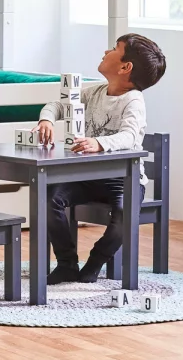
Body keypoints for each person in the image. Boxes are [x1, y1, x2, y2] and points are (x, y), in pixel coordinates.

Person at [35, 33, 167, 284]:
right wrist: (47, 120)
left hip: (123, 180)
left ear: (125, 67)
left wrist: (99, 143)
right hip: (87, 177)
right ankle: (66, 263)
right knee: (48, 198)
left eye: (115, 49)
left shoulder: (133, 101)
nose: (106, 51)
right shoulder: (94, 92)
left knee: (124, 216)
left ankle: (96, 261)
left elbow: (130, 136)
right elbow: (58, 105)